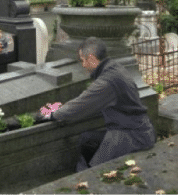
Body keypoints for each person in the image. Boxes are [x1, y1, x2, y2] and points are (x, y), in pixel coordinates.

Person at [38, 37, 156, 172]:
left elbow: (81, 104)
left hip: (131, 135)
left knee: (93, 172)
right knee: (86, 140)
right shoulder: (115, 68)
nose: (83, 65)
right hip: (135, 130)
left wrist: (52, 115)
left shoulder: (108, 81)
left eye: (83, 60)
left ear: (92, 58)